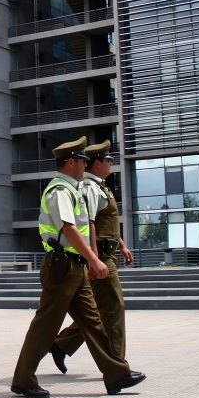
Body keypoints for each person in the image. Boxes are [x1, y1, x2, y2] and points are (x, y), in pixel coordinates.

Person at [10, 136, 145, 398]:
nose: (86, 164)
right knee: (45, 326)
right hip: (62, 267)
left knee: (94, 322)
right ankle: (23, 379)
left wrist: (90, 261)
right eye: (82, 160)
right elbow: (69, 230)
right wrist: (95, 259)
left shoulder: (73, 189)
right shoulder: (59, 190)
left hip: (76, 266)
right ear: (71, 162)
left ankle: (116, 374)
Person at [50, 139, 133, 372]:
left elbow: (108, 223)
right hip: (101, 256)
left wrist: (122, 245)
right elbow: (90, 224)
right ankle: (118, 365)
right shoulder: (89, 188)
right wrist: (94, 260)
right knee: (113, 307)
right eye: (108, 160)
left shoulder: (100, 186)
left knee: (97, 309)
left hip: (107, 253)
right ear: (97, 164)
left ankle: (60, 344)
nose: (111, 164)